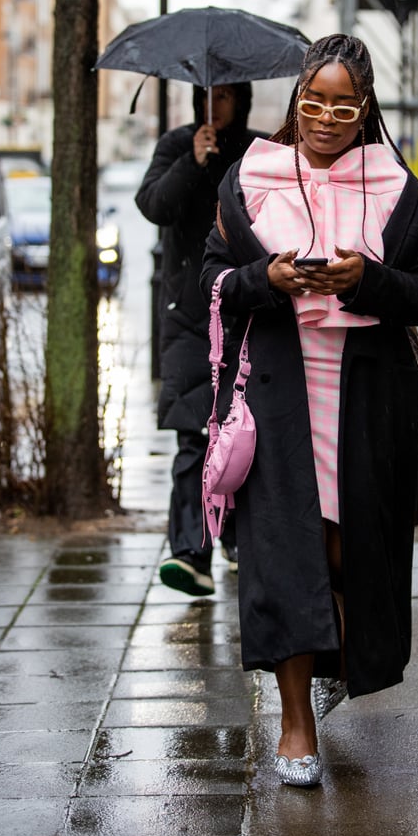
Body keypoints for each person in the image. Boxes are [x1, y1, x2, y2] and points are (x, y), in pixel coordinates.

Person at [200, 34, 418, 786]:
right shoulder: (252, 177)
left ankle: (335, 658)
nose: (327, 116)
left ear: (365, 108)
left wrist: (364, 279)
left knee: (348, 550)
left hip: (363, 396)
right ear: (295, 99)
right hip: (277, 389)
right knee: (285, 554)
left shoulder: (398, 189)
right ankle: (296, 721)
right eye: (314, 100)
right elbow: (214, 278)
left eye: (344, 104)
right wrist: (267, 277)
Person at [136, 82, 267, 597]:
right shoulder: (175, 145)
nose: (216, 106)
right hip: (188, 315)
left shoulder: (260, 150)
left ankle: (236, 538)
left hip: (243, 308)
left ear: (243, 101)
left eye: (227, 96)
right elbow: (153, 205)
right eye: (207, 96)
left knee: (245, 432)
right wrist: (192, 161)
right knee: (194, 435)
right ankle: (191, 554)